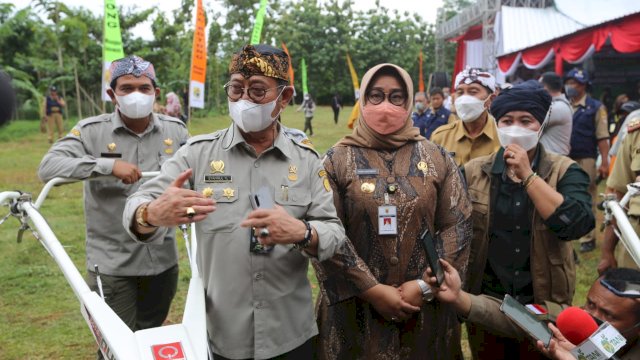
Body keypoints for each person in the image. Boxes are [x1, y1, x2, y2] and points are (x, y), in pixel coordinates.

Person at [122, 44, 346, 360]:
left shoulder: (307, 161)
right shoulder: (196, 154)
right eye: (236, 89)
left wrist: (301, 232)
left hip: (290, 335)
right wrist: (150, 213)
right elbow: (137, 204)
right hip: (222, 336)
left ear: (284, 98)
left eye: (257, 91)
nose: (243, 101)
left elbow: (334, 233)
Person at [313, 63, 473, 359]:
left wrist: (426, 285)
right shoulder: (335, 160)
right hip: (355, 311)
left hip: (424, 310)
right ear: (362, 99)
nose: (385, 104)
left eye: (396, 96)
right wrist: (372, 290)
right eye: (376, 95)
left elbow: (457, 226)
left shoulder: (437, 157)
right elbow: (324, 229)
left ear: (409, 101)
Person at [37, 55, 189, 359]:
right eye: (127, 87)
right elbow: (48, 167)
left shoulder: (176, 131)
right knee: (117, 347)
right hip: (113, 266)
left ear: (156, 92)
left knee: (149, 338)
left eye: (144, 88)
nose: (136, 94)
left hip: (162, 262)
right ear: (112, 94)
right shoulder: (92, 131)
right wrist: (106, 166)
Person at [462, 81, 594, 359]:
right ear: (496, 124)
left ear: (542, 123)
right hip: (488, 301)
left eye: (526, 121)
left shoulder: (564, 171)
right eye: (507, 120)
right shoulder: (474, 172)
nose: (516, 128)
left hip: (544, 305)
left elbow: (576, 224)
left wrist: (528, 176)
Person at [425, 261, 640, 360]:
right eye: (591, 304)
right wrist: (459, 297)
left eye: (609, 316)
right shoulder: (570, 322)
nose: (593, 318)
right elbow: (515, 316)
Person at [564, 68, 610, 253]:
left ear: (583, 86)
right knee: (565, 195)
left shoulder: (595, 107)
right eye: (568, 82)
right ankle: (568, 231)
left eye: (574, 83)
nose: (570, 86)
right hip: (565, 157)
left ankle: (587, 238)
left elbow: (602, 137)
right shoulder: (563, 104)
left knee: (587, 195)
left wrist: (605, 161)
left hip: (586, 157)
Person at [431, 66, 501, 166]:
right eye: (460, 92)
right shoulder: (440, 137)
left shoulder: (503, 136)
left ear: (491, 99)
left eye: (473, 92)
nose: (465, 98)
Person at [599, 109, 640, 273]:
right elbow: (618, 193)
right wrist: (607, 251)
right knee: (633, 294)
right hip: (636, 237)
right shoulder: (636, 133)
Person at [538, 72, 573, 156]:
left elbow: (532, 123)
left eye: (539, 86)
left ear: (545, 88)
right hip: (551, 159)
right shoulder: (555, 105)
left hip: (553, 160)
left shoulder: (558, 107)